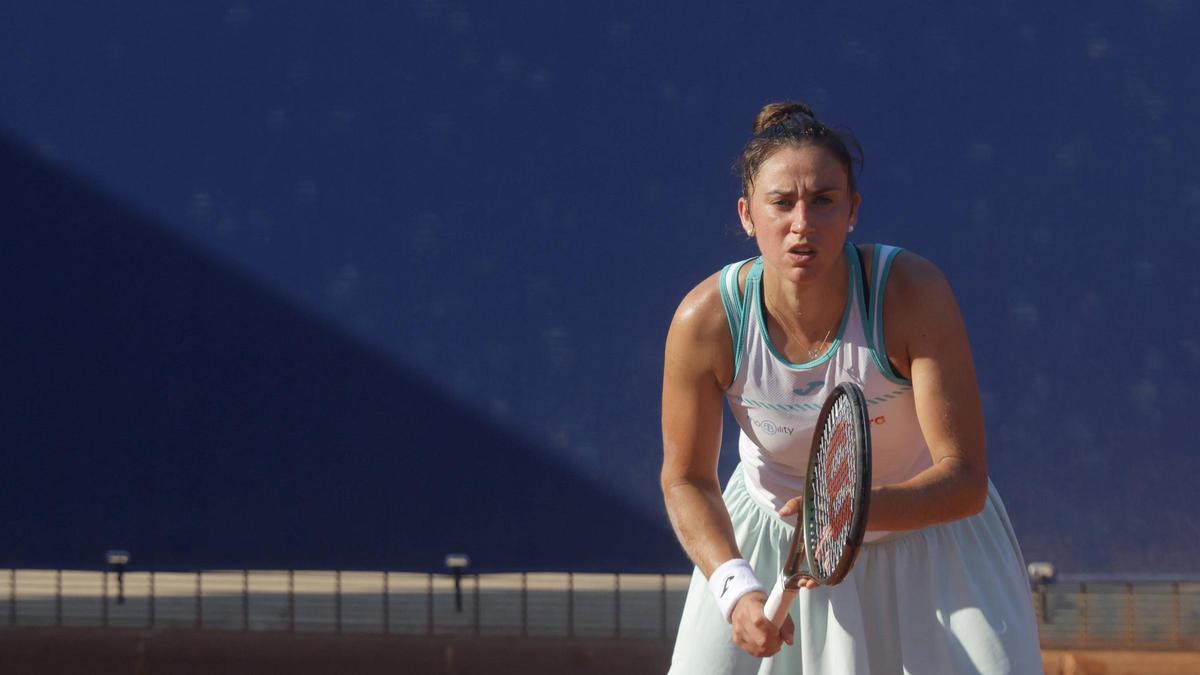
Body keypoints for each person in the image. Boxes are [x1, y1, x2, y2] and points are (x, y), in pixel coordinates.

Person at [661, 102, 1042, 674]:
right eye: (781, 203)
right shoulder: (706, 321)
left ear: (853, 211)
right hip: (773, 541)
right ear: (746, 214)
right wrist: (734, 587)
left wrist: (846, 520)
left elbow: (964, 481)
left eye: (824, 201)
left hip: (933, 545)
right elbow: (685, 478)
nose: (802, 224)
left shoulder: (912, 294)